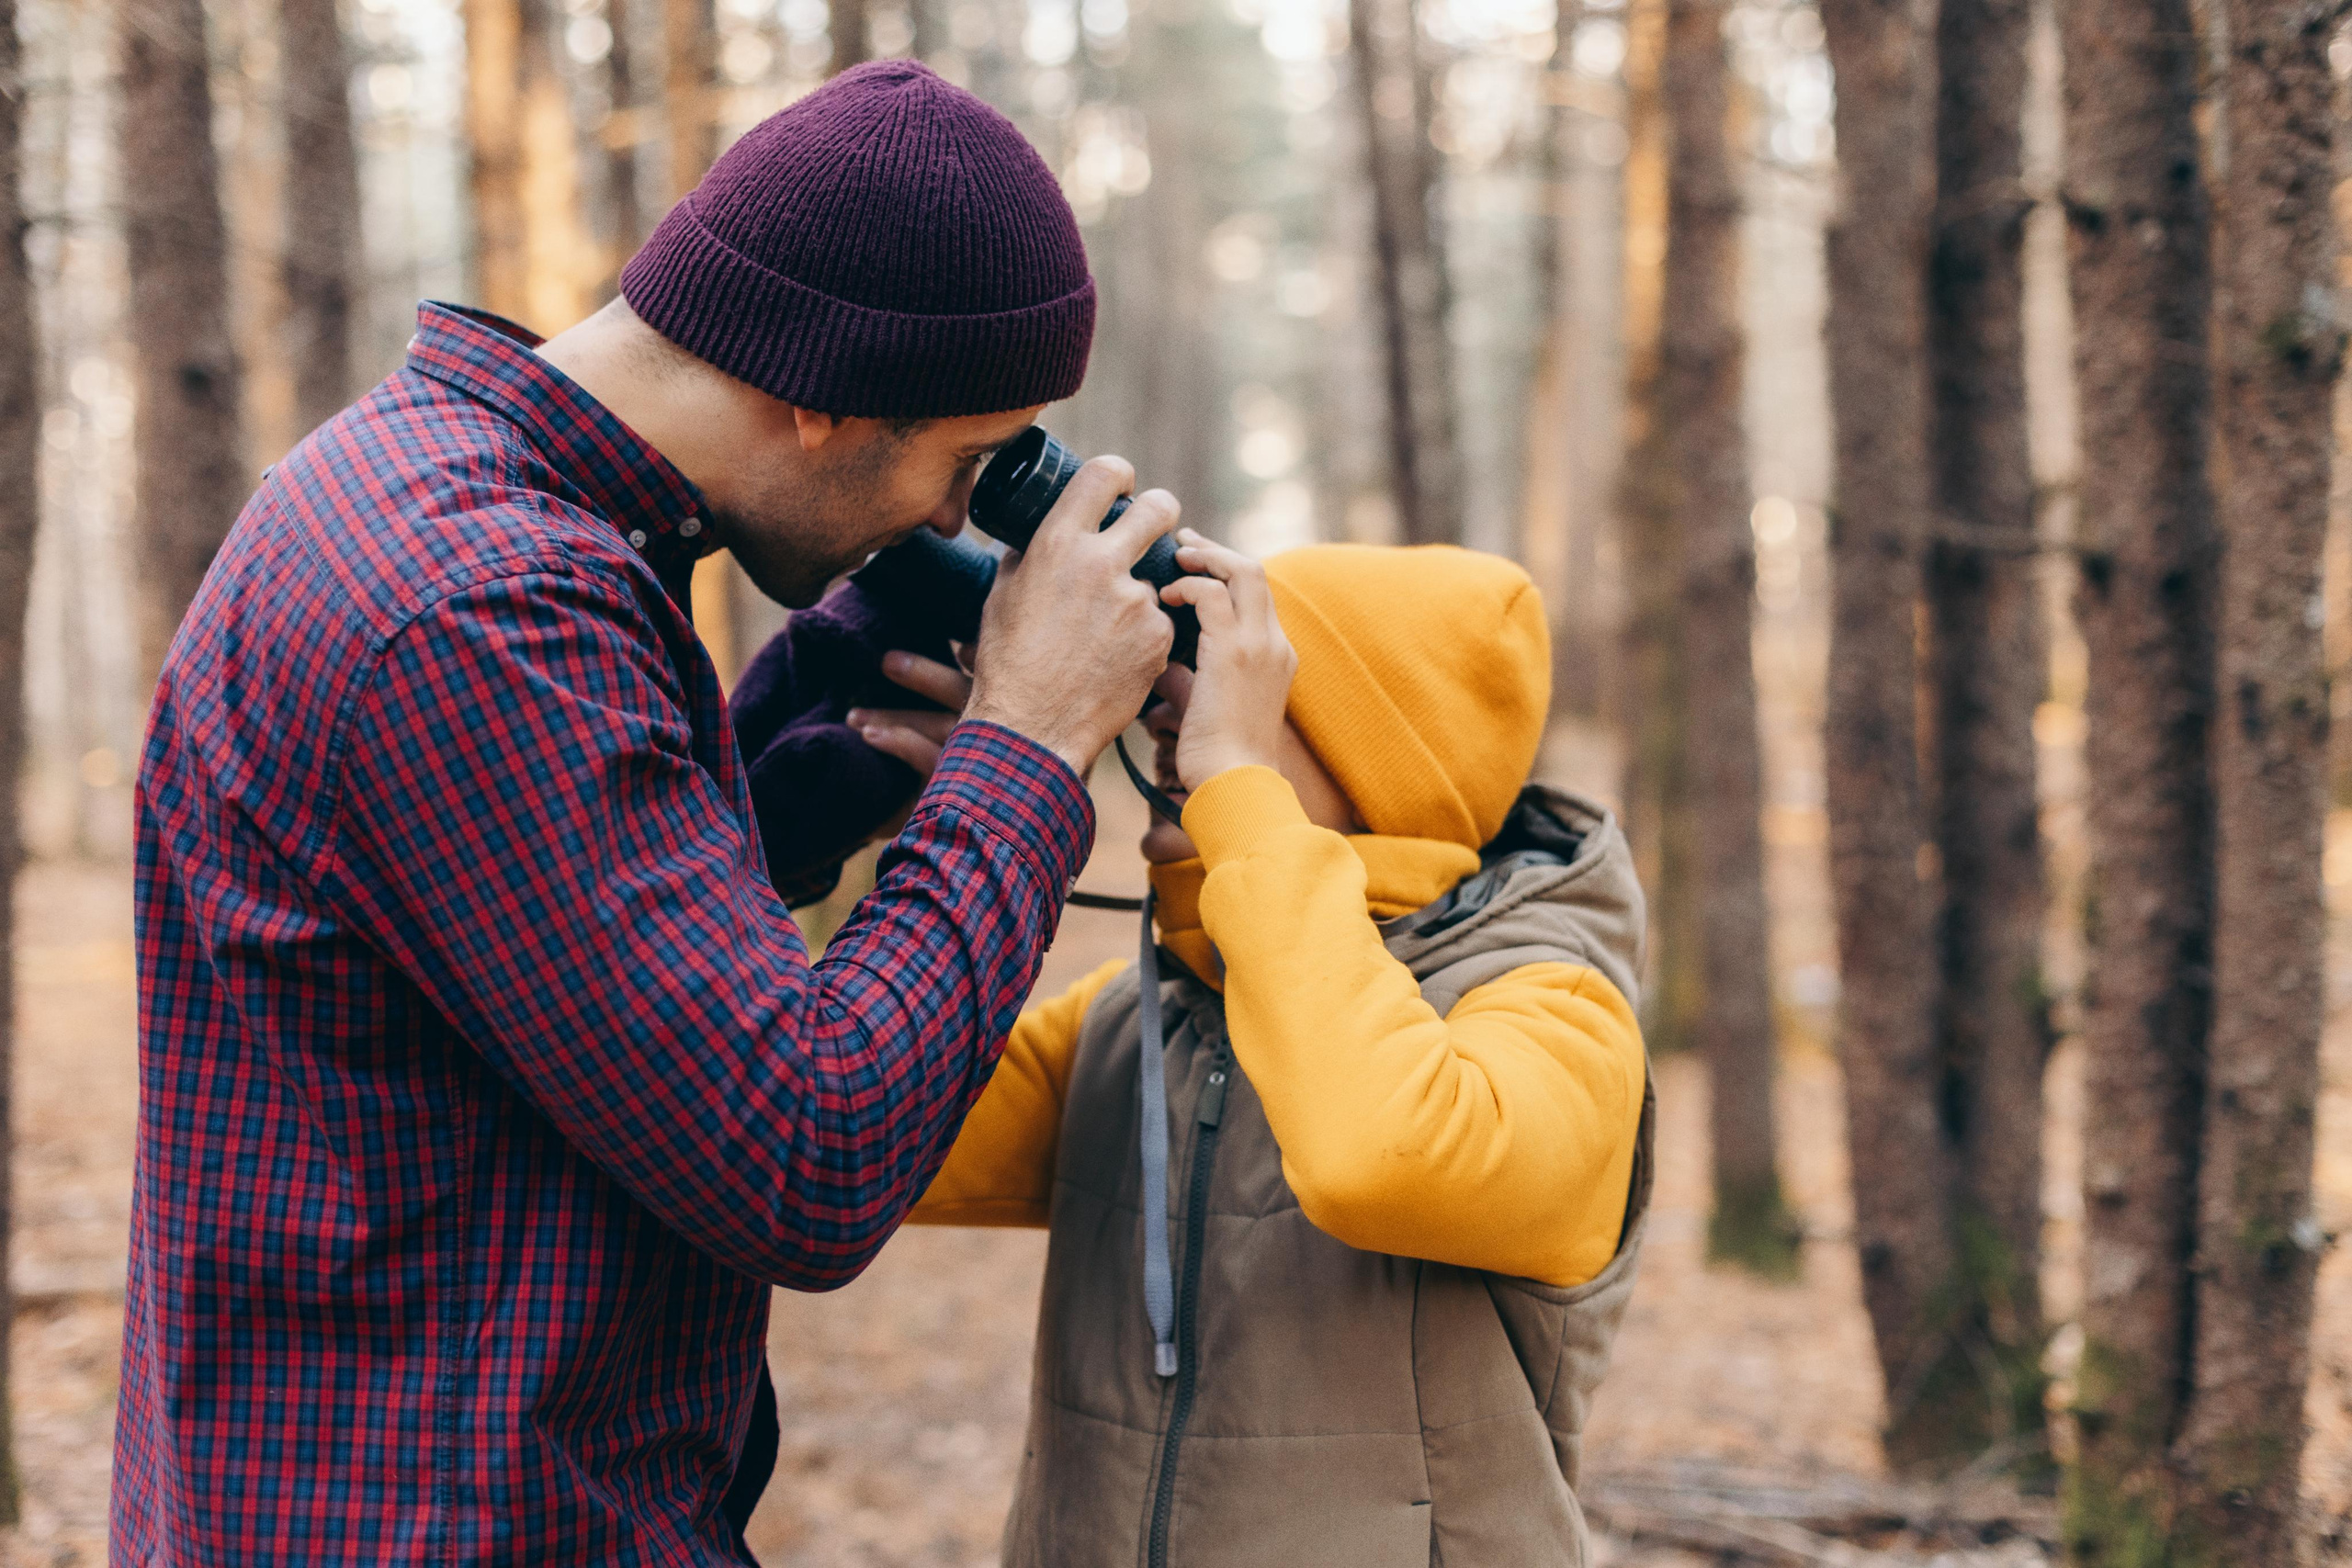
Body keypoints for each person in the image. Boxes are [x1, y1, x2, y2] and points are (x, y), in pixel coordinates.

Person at [114, 62, 1188, 1566]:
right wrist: (1028, 741)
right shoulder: (486, 605)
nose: (958, 519)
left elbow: (525, 951)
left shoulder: (447, 498)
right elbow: (807, 1154)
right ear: (819, 393)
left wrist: (791, 764)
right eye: (963, 463)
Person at [860, 539, 1655, 1566]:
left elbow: (1378, 1153)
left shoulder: (1558, 1009)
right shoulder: (1138, 1017)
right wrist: (967, 825)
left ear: (1386, 760)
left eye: (1240, 676)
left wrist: (1237, 785)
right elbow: (842, 1116)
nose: (1171, 709)